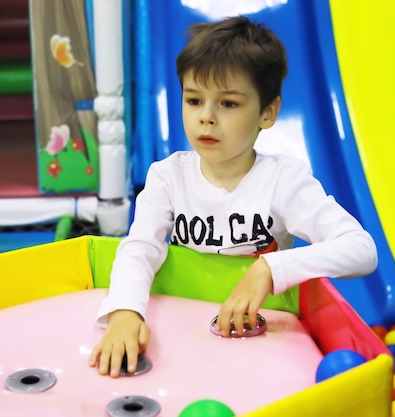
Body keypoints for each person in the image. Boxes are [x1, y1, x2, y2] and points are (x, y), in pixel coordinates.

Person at [89, 15, 378, 378]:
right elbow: (139, 248)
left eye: (228, 104)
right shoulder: (167, 177)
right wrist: (125, 312)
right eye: (194, 100)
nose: (206, 118)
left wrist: (269, 270)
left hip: (257, 340)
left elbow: (361, 249)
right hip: (184, 332)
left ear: (268, 112)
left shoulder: (283, 181)